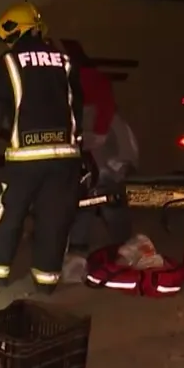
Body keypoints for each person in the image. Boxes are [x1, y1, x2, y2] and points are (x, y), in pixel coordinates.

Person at [0, 2, 84, 293]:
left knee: (10, 213)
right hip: (66, 156)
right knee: (54, 217)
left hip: (27, 157)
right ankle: (46, 279)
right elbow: (76, 106)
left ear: (15, 32)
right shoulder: (64, 61)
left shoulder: (10, 62)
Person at [65, 66, 139, 276]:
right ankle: (81, 248)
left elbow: (116, 142)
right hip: (95, 161)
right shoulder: (89, 99)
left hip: (105, 159)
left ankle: (121, 245)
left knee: (107, 197)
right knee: (88, 197)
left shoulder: (99, 110)